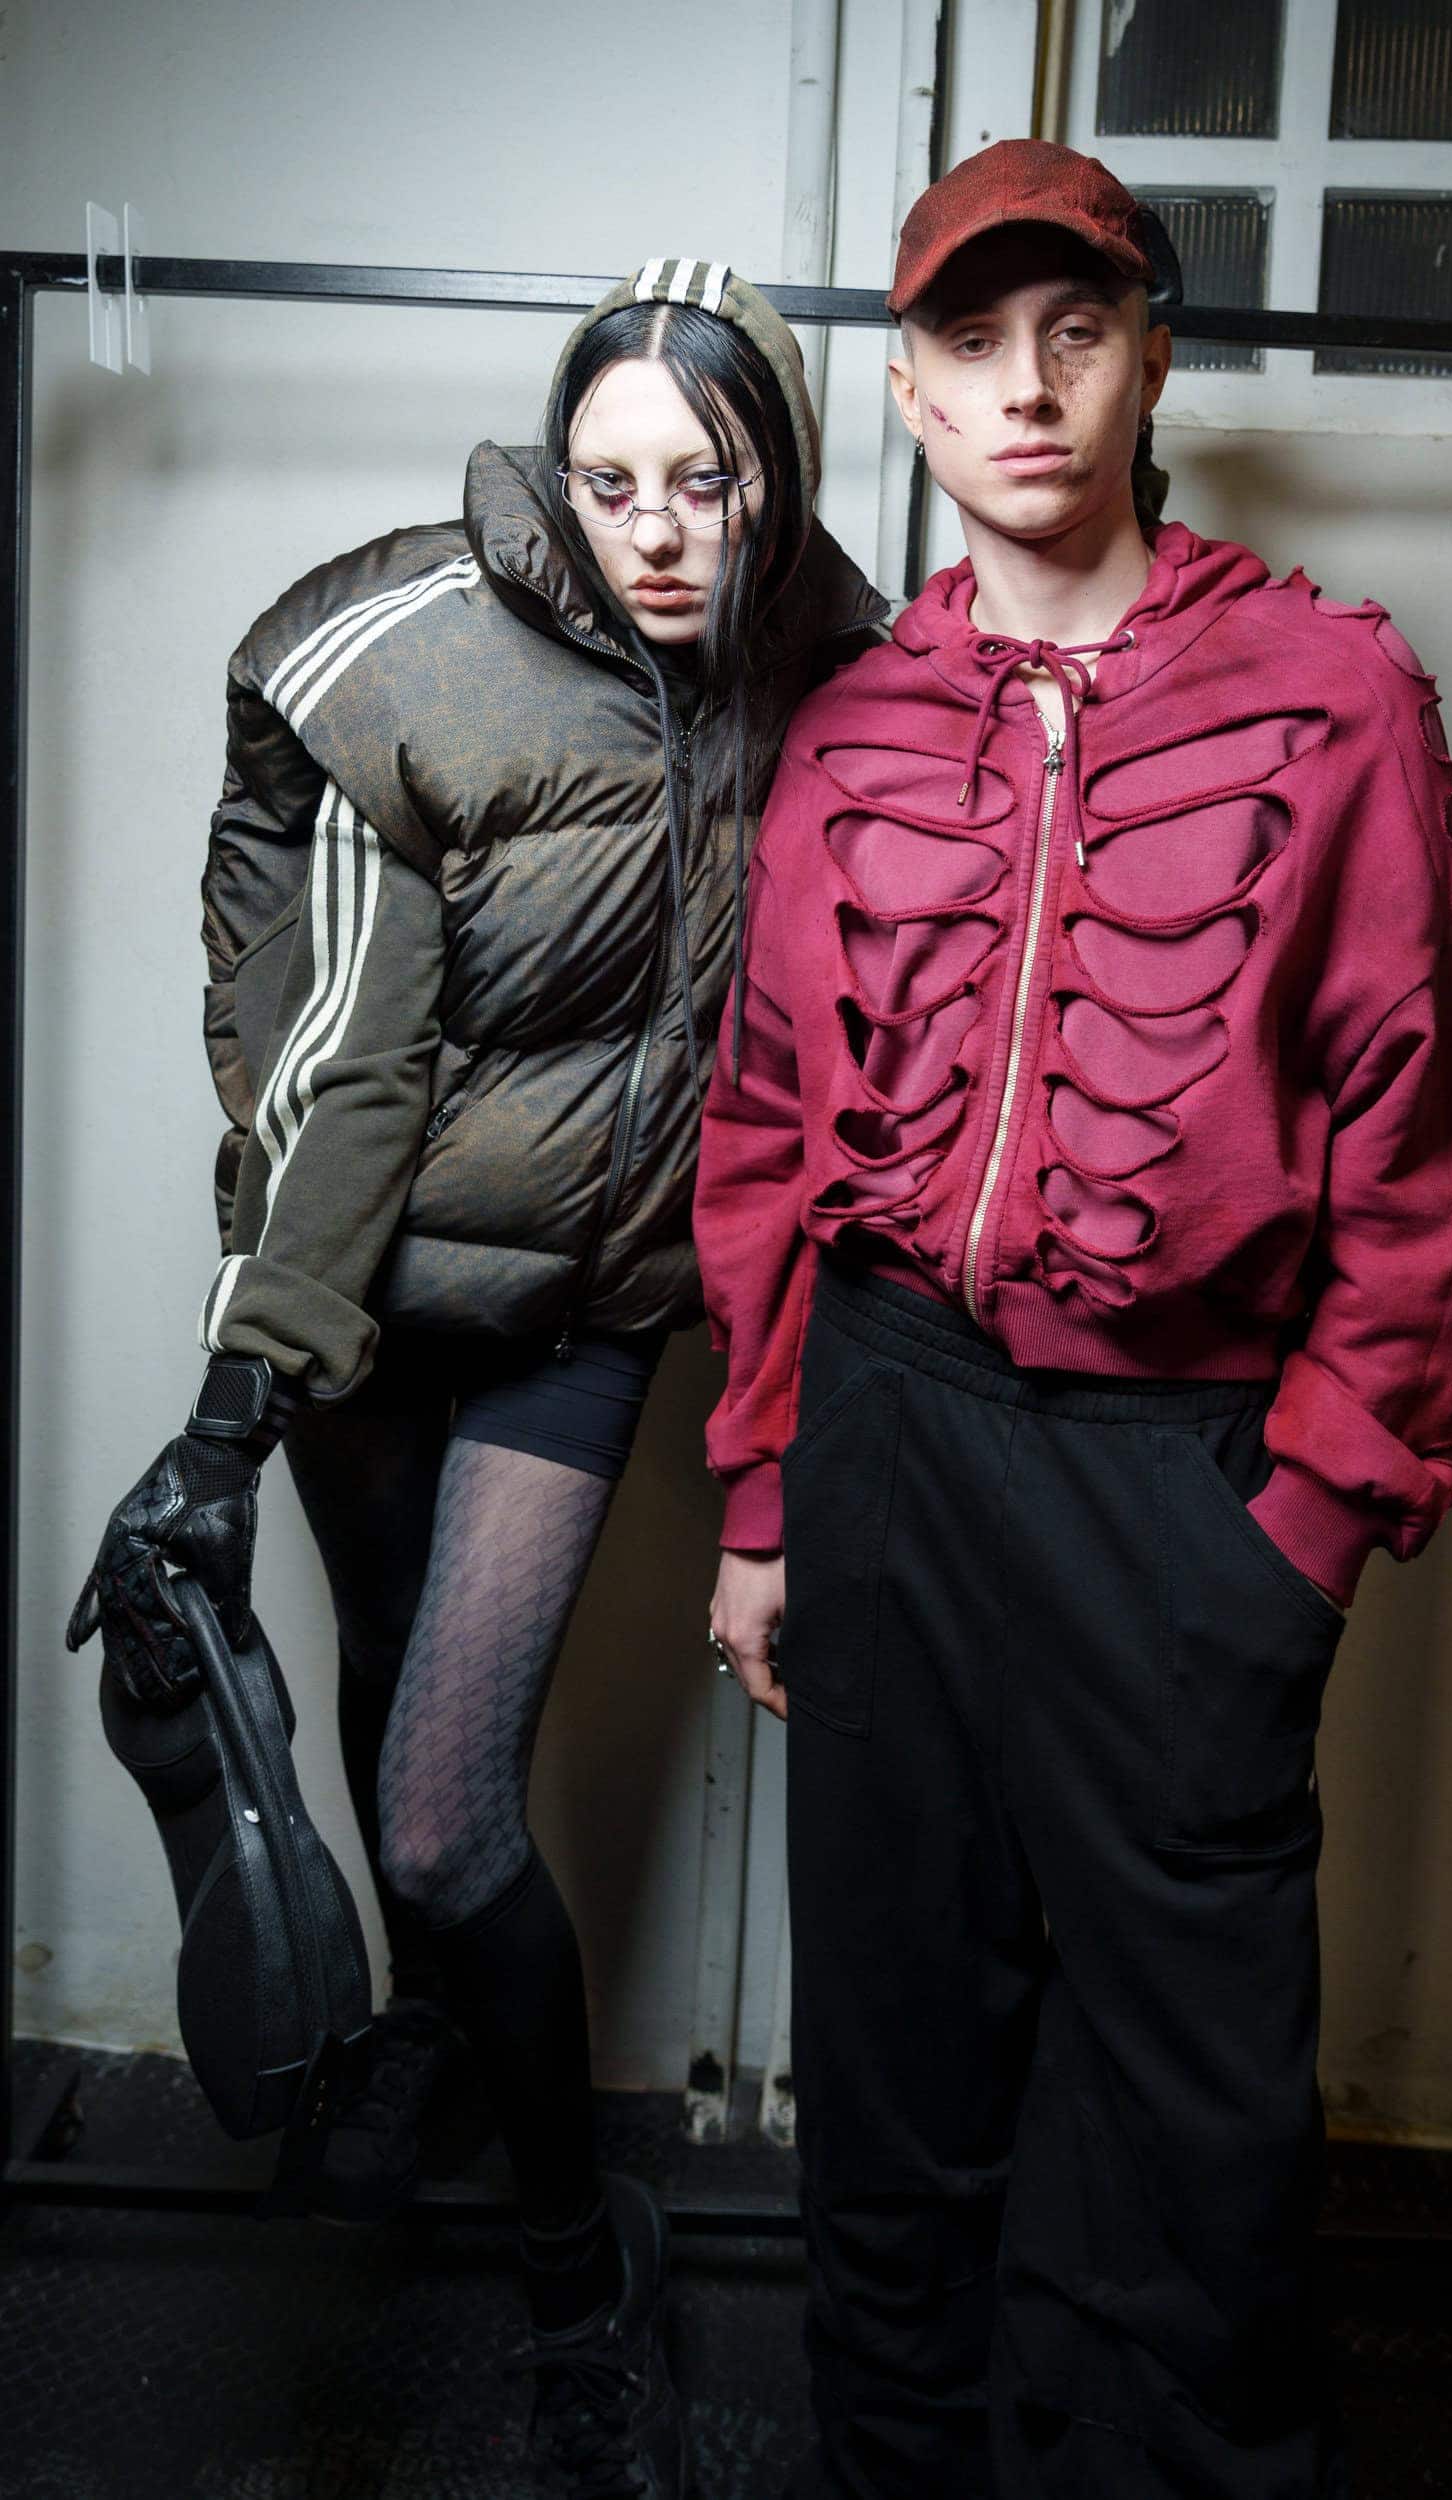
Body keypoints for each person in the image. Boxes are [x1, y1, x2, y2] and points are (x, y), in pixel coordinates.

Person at [699, 142, 1452, 2500]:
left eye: (1075, 331)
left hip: (1177, 1472)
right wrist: (758, 1491)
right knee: (891, 2070)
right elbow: (762, 1132)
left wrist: (1299, 1536)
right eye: (969, 344)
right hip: (882, 1440)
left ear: (1152, 357)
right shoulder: (848, 723)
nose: (1025, 388)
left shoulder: (1332, 697)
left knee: (1185, 2118)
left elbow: (1416, 1151)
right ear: (909, 397)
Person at [70, 255, 884, 2499]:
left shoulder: (841, 671)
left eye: (705, 480)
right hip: (363, 1296)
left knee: (440, 1812)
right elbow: (348, 1059)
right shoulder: (419, 661)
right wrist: (236, 1408)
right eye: (609, 480)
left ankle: (576, 2266)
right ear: (559, 472)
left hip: (577, 1315)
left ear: (777, 473)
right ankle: (430, 2035)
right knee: (377, 1688)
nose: (655, 530)